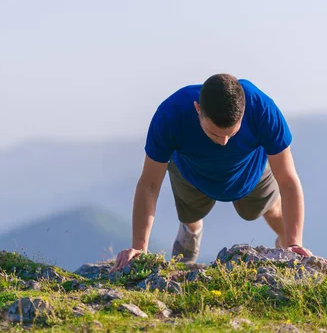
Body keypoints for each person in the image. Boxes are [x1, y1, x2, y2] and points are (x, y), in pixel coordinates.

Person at [112, 73, 314, 271]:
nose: (224, 142)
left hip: (249, 169)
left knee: (268, 209)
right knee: (191, 214)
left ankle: (286, 243)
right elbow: (149, 184)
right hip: (190, 172)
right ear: (197, 109)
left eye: (231, 133)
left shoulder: (262, 108)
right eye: (215, 133)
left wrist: (295, 244)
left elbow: (288, 181)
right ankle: (191, 231)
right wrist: (139, 248)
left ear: (243, 112)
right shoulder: (171, 114)